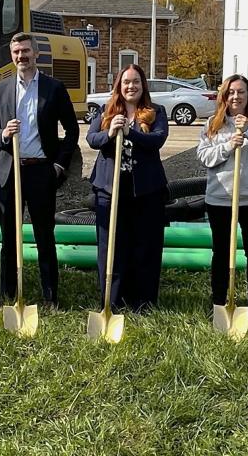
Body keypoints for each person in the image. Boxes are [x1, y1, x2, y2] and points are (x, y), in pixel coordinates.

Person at [0, 33, 79, 309]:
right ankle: (10, 297)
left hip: (41, 172)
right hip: (9, 172)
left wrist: (60, 164)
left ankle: (50, 296)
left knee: (44, 236)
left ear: (36, 54)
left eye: (25, 51)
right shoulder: (0, 89)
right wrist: (3, 133)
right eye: (16, 52)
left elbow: (72, 129)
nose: (20, 56)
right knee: (9, 238)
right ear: (11, 56)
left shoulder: (53, 88)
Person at [197, 74, 248, 325]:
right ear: (224, 96)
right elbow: (204, 157)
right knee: (221, 252)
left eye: (241, 92)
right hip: (221, 198)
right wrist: (228, 145)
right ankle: (219, 303)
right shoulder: (213, 123)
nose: (236, 97)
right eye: (231, 92)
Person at [87, 65, 168, 312]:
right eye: (126, 82)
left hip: (145, 192)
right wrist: (111, 132)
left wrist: (131, 133)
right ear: (119, 86)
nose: (130, 86)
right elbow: (92, 139)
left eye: (135, 82)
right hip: (110, 190)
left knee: (146, 246)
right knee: (111, 247)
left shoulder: (156, 112)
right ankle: (112, 302)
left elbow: (158, 140)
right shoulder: (106, 111)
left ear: (143, 86)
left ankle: (143, 303)